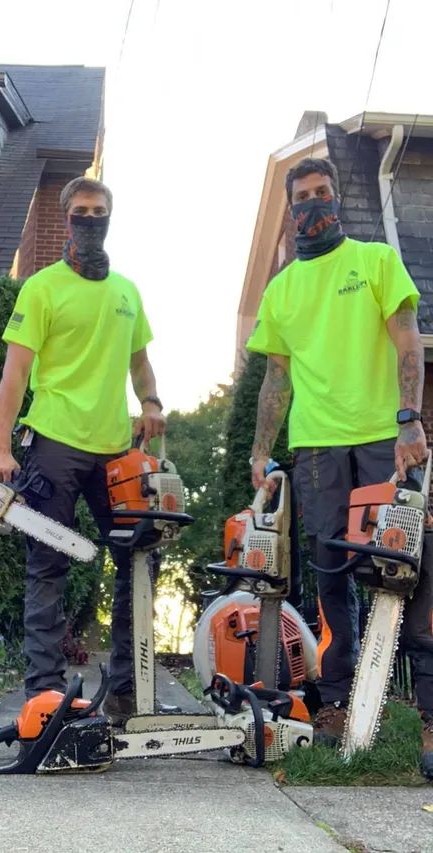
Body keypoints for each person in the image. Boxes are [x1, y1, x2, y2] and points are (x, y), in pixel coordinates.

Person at [247, 156, 433, 777]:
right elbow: (275, 381)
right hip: (318, 450)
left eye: (323, 193)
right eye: (303, 197)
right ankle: (336, 702)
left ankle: (428, 715)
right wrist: (258, 452)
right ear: (291, 211)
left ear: (336, 201)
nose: (315, 205)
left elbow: (408, 339)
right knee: (329, 573)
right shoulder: (281, 290)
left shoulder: (376, 262)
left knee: (406, 565)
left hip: (384, 435)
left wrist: (410, 417)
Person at [0, 176, 167, 724]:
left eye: (99, 211)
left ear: (110, 218)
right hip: (54, 444)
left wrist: (152, 400)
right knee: (49, 561)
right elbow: (15, 373)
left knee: (138, 558)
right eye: (81, 212)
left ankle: (126, 690)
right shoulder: (42, 288)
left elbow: (139, 360)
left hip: (116, 452)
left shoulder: (127, 292)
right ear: (67, 219)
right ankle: (44, 693)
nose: (90, 220)